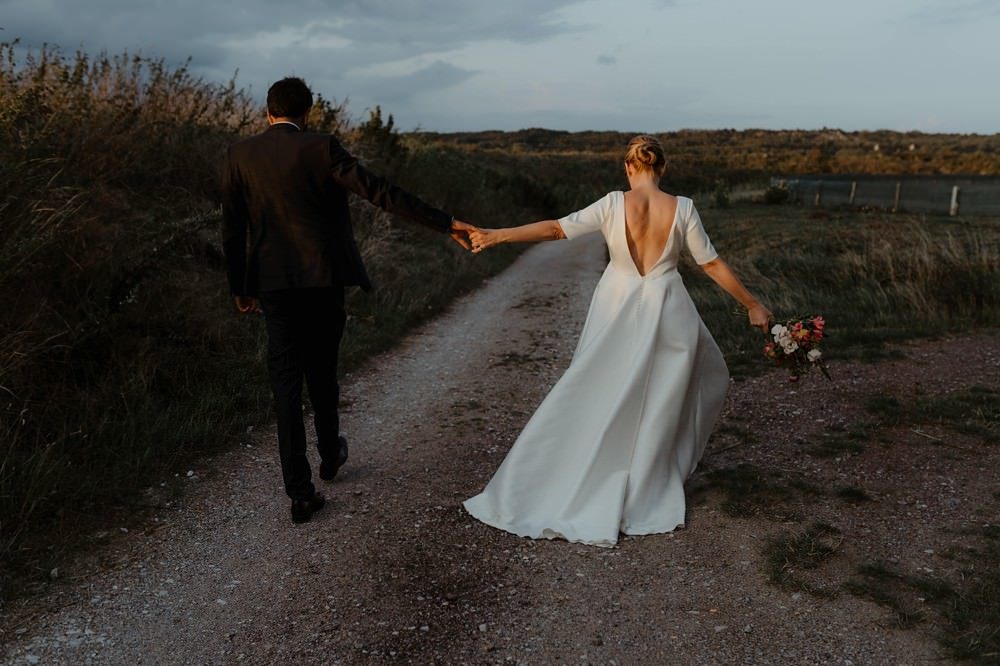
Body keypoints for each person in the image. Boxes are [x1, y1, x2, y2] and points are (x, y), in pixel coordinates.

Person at [463, 135, 771, 547]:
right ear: (662, 168)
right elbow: (710, 262)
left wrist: (498, 235)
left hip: (617, 304)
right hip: (668, 309)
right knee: (663, 395)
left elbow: (557, 229)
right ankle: (646, 481)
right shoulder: (683, 208)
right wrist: (752, 303)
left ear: (629, 168)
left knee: (599, 386)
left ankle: (581, 469)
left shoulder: (611, 203)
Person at [222, 77, 473, 524]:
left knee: (284, 380)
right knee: (322, 369)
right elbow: (379, 191)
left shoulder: (240, 154)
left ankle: (300, 493)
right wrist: (445, 222)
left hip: (272, 284)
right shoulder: (321, 147)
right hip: (322, 278)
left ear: (267, 112)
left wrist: (240, 286)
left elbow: (233, 226)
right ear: (308, 113)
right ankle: (330, 451)